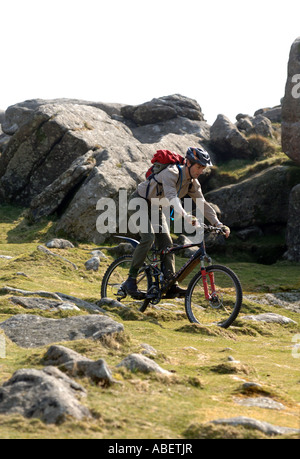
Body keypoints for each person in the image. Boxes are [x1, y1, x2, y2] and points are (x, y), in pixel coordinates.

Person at [123, 147, 230, 299]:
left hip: (156, 208)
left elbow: (203, 204)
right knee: (148, 237)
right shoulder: (171, 173)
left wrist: (218, 224)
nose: (200, 171)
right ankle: (131, 279)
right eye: (198, 166)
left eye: (203, 168)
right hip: (138, 202)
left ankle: (170, 284)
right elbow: (172, 197)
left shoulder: (193, 183)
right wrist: (186, 215)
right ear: (188, 163)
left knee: (167, 244)